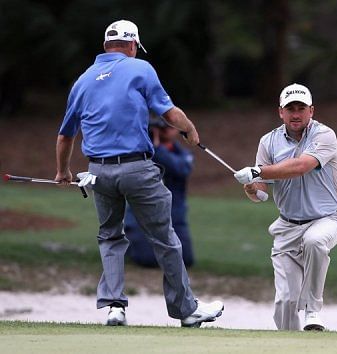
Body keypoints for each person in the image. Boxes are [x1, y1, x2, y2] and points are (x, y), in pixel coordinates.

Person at [55, 19, 223, 327]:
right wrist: (190, 129)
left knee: (110, 237)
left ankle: (115, 307)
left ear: (106, 46)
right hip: (137, 168)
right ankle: (186, 310)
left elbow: (66, 136)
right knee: (165, 239)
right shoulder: (141, 68)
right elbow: (169, 113)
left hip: (98, 173)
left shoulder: (82, 80)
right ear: (133, 45)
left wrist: (63, 171)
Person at [234, 83, 337, 331]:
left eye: (301, 108)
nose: (296, 114)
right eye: (290, 109)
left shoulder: (324, 135)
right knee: (285, 303)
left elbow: (301, 166)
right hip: (286, 228)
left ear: (311, 111)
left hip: (325, 219)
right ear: (280, 112)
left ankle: (313, 311)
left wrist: (258, 171)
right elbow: (262, 192)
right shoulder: (268, 142)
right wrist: (252, 187)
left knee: (315, 241)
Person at [124, 118, 195, 268]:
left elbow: (181, 169)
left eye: (171, 126)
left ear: (178, 130)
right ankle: (130, 244)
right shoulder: (141, 152)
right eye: (162, 126)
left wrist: (158, 149)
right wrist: (151, 146)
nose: (166, 129)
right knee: (146, 260)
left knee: (186, 259)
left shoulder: (183, 154)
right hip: (143, 215)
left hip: (174, 215)